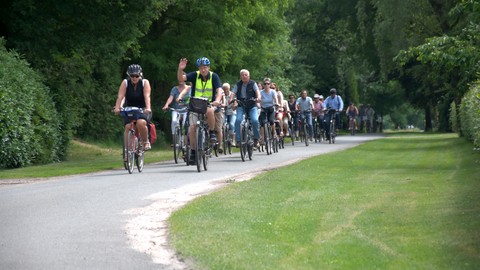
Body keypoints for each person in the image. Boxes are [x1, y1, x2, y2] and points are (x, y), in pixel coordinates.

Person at [177, 57, 223, 165]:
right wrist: (180, 69)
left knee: (210, 111)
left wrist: (217, 100)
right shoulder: (195, 75)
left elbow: (219, 90)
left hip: (208, 103)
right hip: (195, 104)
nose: (203, 70)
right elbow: (181, 79)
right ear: (199, 68)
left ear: (209, 68)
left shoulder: (213, 76)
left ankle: (212, 133)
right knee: (192, 128)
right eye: (201, 68)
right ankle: (193, 152)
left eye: (205, 67)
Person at [114, 64, 152, 151]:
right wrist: (117, 107)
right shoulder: (125, 83)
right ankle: (127, 150)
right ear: (129, 75)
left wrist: (148, 108)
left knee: (140, 122)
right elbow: (120, 97)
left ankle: (146, 141)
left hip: (142, 108)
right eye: (132, 76)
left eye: (136, 76)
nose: (134, 78)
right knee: (128, 126)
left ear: (140, 75)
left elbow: (147, 96)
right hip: (129, 108)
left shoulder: (144, 83)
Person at [232, 69, 261, 147]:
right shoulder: (238, 84)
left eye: (246, 75)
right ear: (240, 76)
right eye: (242, 75)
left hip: (252, 105)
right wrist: (232, 100)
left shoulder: (253, 83)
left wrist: (258, 98)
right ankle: (238, 140)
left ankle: (256, 138)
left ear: (249, 76)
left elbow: (257, 92)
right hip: (241, 105)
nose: (244, 76)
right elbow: (233, 93)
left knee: (255, 120)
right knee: (238, 120)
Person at [162, 77, 190, 141]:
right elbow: (170, 98)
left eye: (183, 78)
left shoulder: (189, 88)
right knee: (174, 121)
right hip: (176, 109)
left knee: (184, 124)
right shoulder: (174, 89)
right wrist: (166, 105)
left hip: (186, 109)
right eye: (180, 78)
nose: (181, 80)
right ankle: (174, 137)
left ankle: (184, 140)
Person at [259, 78, 279, 145]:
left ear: (270, 84)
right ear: (263, 85)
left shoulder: (273, 92)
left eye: (268, 84)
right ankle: (262, 138)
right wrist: (258, 105)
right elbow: (259, 100)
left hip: (271, 108)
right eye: (265, 84)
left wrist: (276, 103)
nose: (266, 85)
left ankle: (274, 133)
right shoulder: (261, 92)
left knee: (271, 121)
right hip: (263, 109)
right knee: (262, 122)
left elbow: (275, 98)